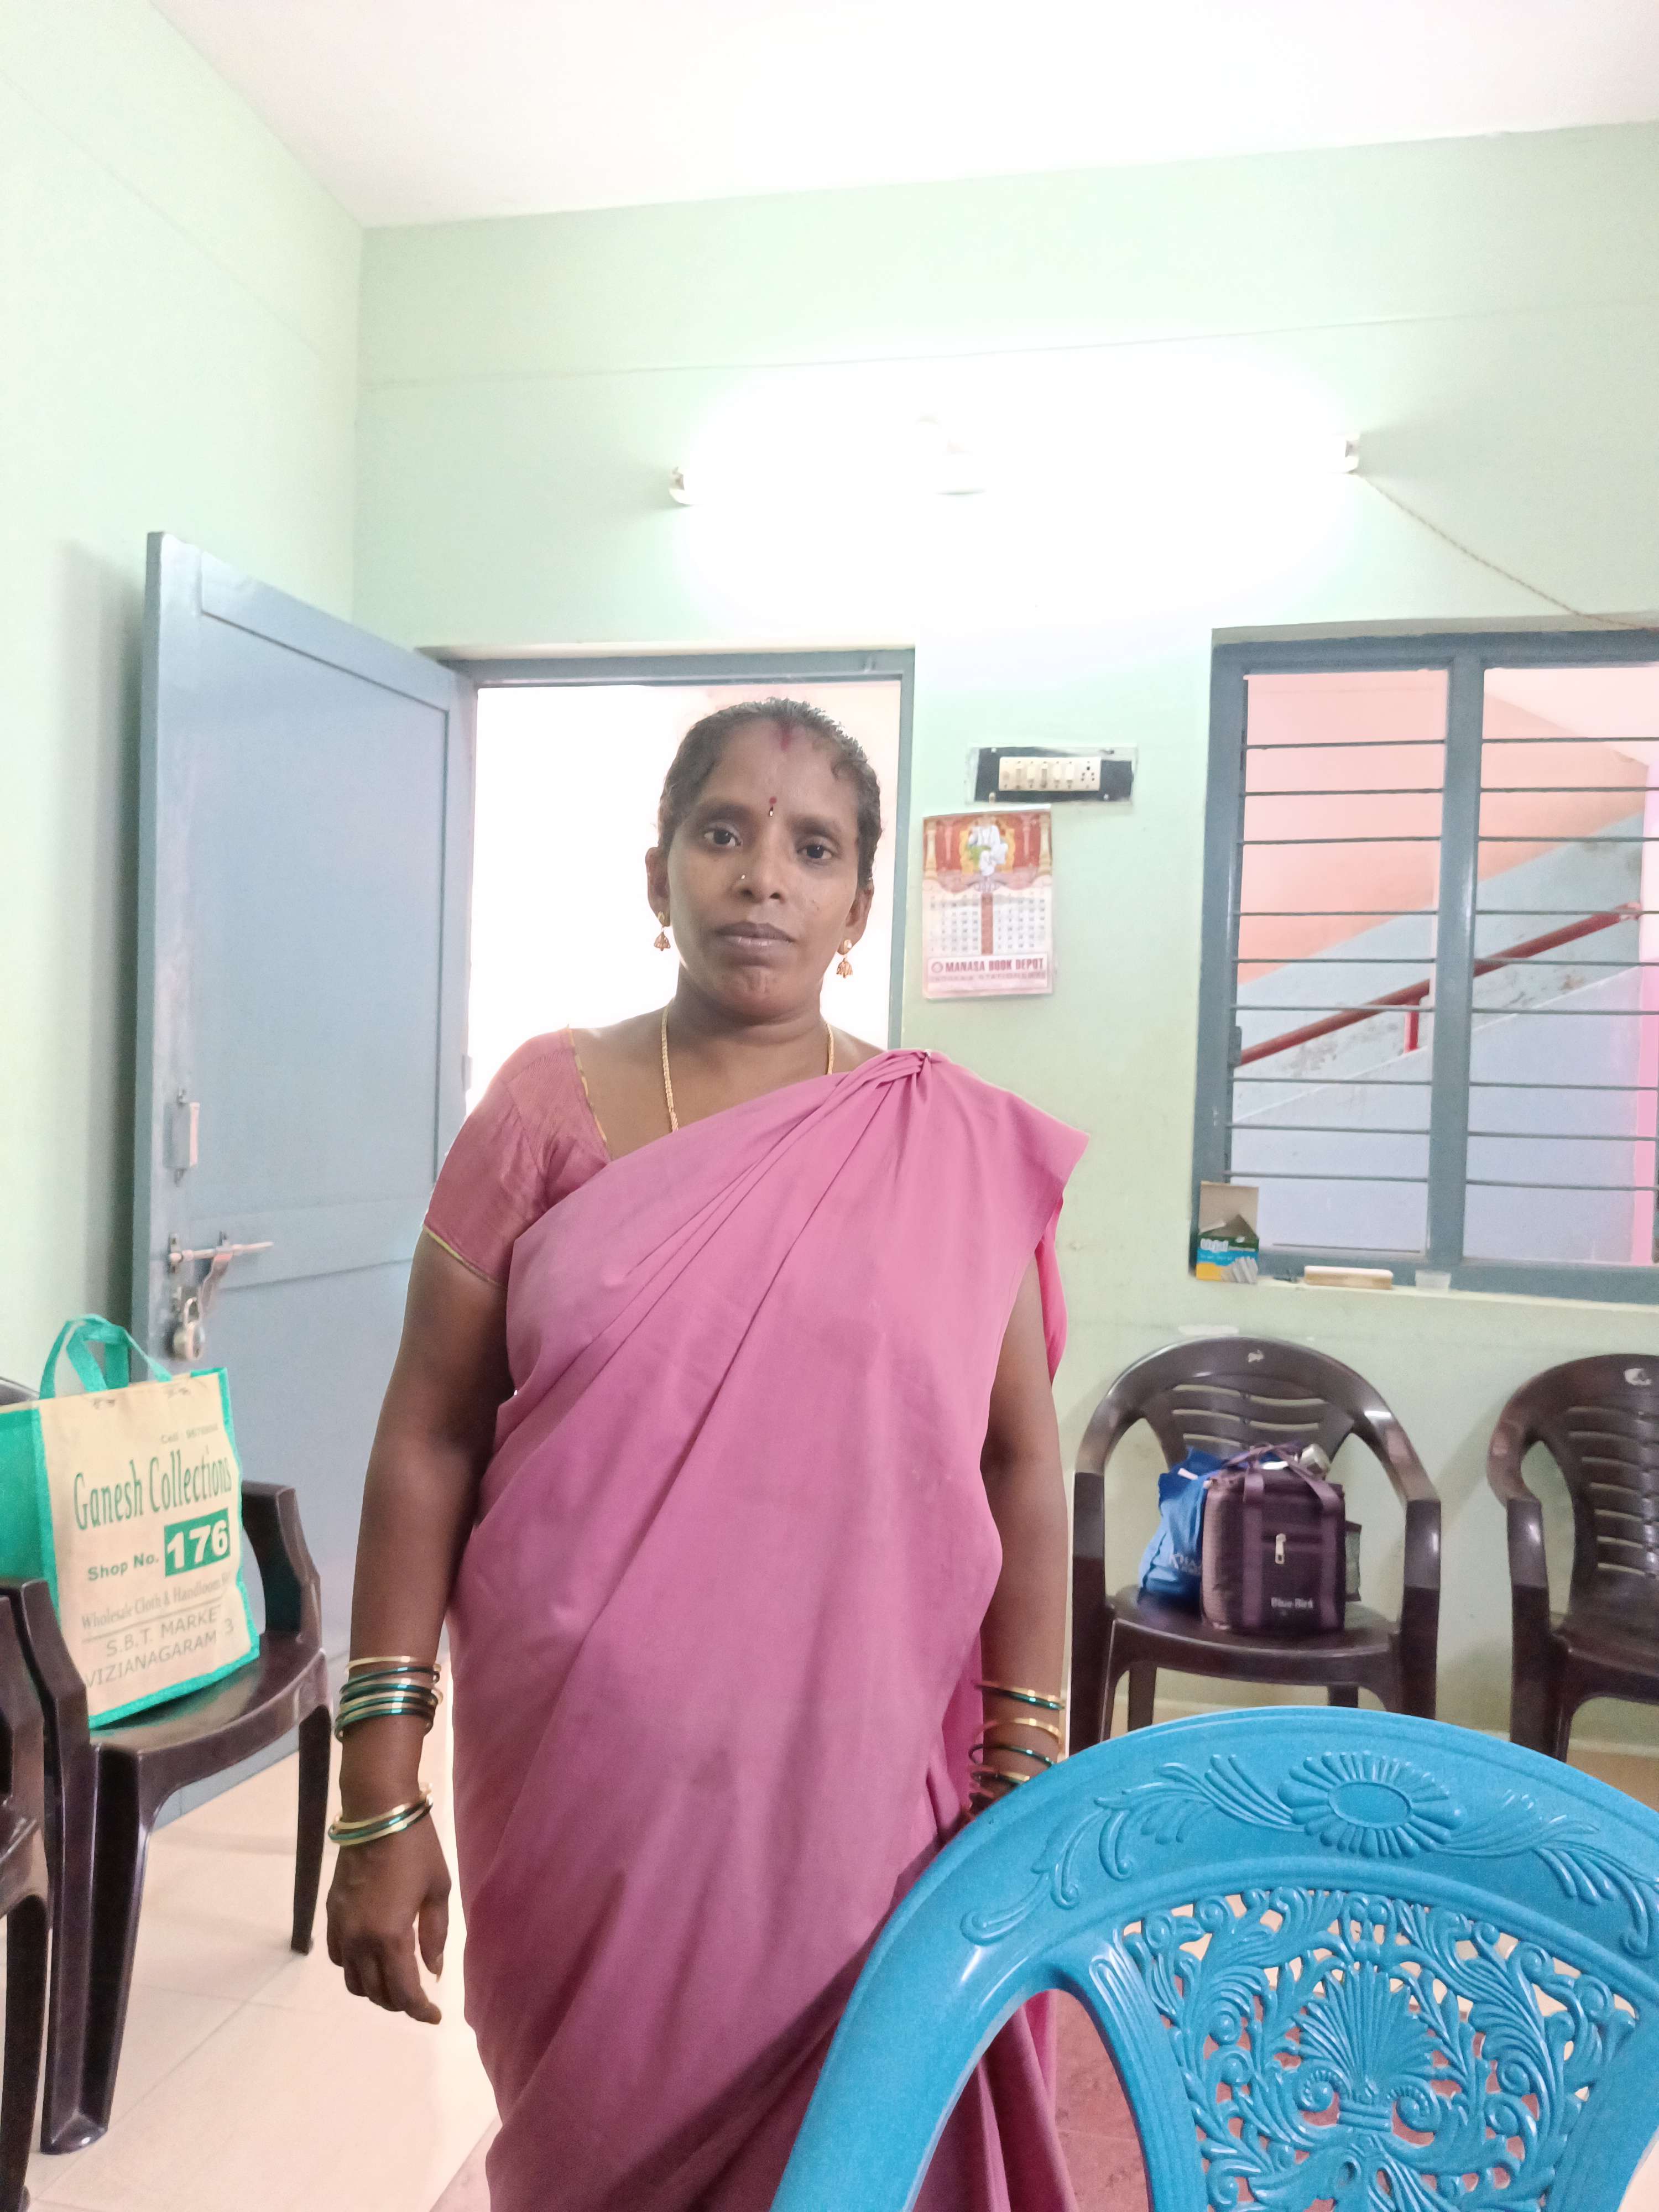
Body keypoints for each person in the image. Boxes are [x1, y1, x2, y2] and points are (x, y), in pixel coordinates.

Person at [326, 698, 1088, 2211]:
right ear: (657, 872)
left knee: (847, 2157)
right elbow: (425, 1437)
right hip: (584, 1783)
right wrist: (378, 1788)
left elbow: (1017, 1462)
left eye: (815, 849)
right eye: (724, 833)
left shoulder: (938, 1144)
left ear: (858, 910)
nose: (763, 878)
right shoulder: (545, 1106)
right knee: (592, 2148)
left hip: (851, 1796)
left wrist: (1023, 1766)